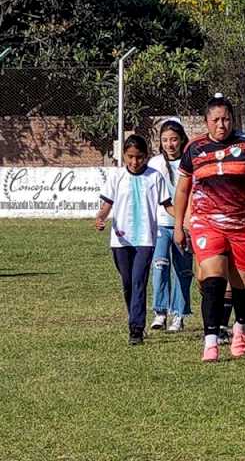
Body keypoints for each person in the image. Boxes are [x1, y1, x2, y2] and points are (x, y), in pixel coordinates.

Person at [173, 95, 245, 362]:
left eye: (226, 119)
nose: (222, 125)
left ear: (234, 120)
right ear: (206, 121)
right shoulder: (194, 148)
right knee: (213, 277)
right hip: (206, 222)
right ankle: (211, 340)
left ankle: (240, 327)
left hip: (242, 224)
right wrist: (178, 224)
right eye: (216, 120)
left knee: (244, 282)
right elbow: (183, 188)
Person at [95, 135, 174, 345]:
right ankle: (134, 318)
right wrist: (100, 218)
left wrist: (184, 219)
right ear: (124, 156)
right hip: (121, 240)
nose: (134, 162)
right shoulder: (116, 178)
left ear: (146, 157)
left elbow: (168, 205)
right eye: (130, 157)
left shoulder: (155, 177)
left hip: (145, 240)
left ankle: (136, 330)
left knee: (139, 281)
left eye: (139, 157)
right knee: (128, 283)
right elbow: (106, 206)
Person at [147, 119, 193, 332]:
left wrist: (185, 220)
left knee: (183, 270)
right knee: (160, 266)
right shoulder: (155, 164)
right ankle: (160, 312)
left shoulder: (190, 160)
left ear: (182, 139)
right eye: (165, 140)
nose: (169, 144)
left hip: (185, 224)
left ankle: (179, 315)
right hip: (162, 224)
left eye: (173, 139)